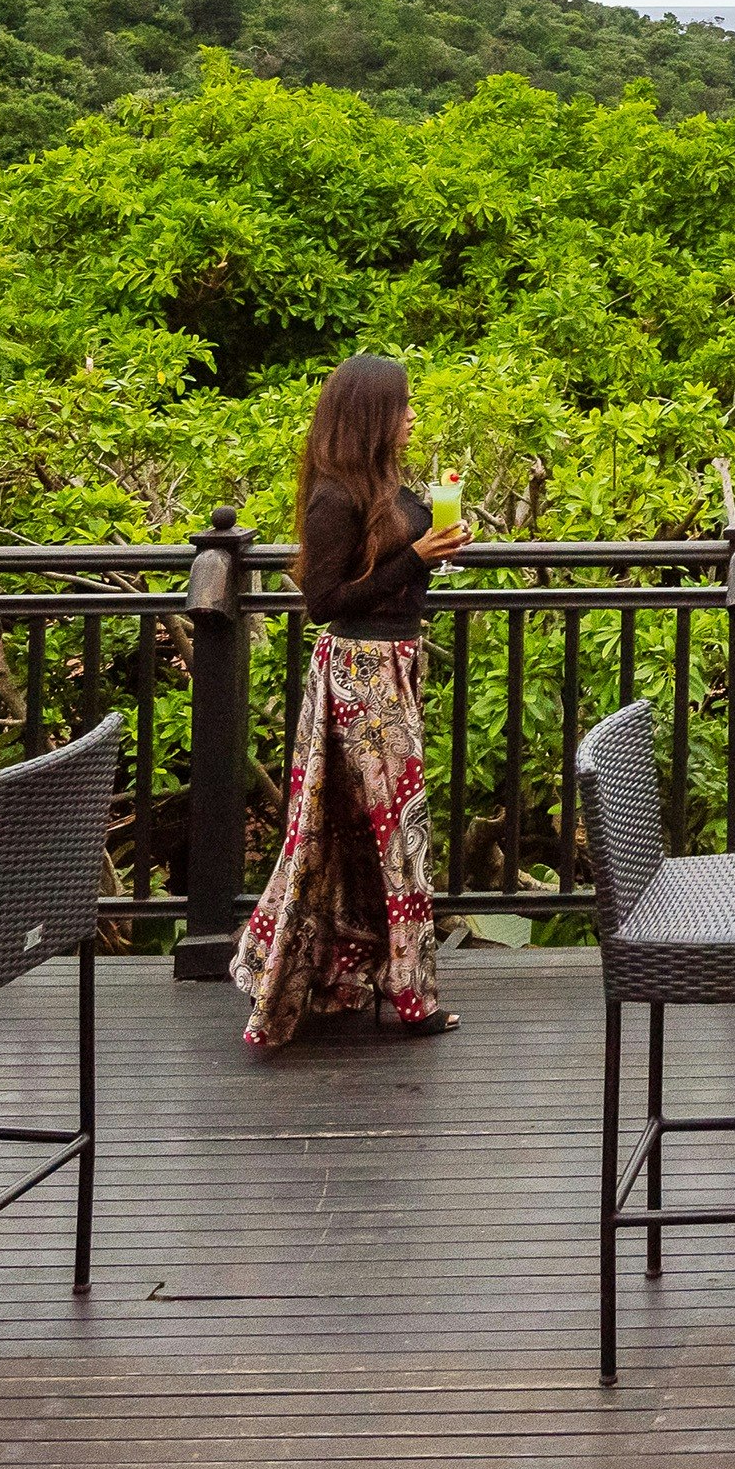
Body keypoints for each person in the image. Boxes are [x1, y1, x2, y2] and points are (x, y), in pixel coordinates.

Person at [234, 354, 471, 1048]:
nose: (412, 417)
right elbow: (326, 601)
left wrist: (435, 550)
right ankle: (412, 995)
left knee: (363, 833)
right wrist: (416, 559)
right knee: (398, 834)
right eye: (403, 407)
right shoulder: (334, 497)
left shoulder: (383, 485)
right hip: (361, 675)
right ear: (372, 415)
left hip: (395, 666)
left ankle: (343, 973)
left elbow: (395, 571)